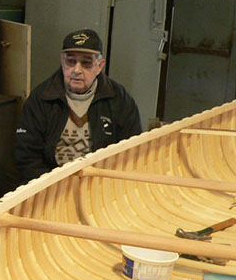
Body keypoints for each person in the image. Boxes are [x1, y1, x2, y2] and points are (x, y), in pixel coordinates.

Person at [13, 28, 141, 182]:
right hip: (51, 183)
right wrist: (53, 185)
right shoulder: (40, 98)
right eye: (71, 61)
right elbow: (26, 156)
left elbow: (131, 152)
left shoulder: (120, 99)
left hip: (100, 181)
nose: (77, 70)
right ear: (62, 62)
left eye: (86, 63)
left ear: (99, 66)